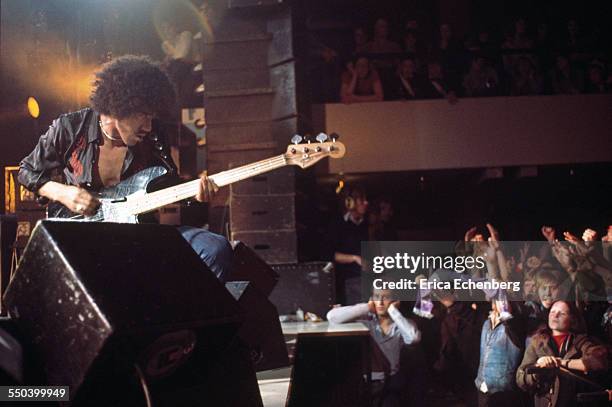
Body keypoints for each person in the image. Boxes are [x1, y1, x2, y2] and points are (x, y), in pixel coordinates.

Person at [18, 55, 233, 281]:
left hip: (139, 235)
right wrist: (63, 192)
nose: (149, 127)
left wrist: (194, 198)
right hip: (85, 238)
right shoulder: (70, 128)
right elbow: (27, 172)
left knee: (214, 249)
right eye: (144, 117)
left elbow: (169, 202)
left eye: (152, 118)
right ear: (118, 106)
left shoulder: (155, 137)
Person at [327, 287, 422, 407]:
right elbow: (331, 317)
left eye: (386, 297)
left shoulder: (402, 323)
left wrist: (393, 311)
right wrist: (366, 307)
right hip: (364, 383)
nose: (380, 302)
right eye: (376, 297)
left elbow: (413, 338)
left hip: (389, 383)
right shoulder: (366, 320)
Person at [516, 300, 608, 407]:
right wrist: (538, 367)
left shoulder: (581, 341)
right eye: (552, 312)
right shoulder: (537, 342)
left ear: (572, 319)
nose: (555, 315)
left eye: (562, 313)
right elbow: (520, 379)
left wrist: (562, 363)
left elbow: (599, 361)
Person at [326, 186, 369, 305]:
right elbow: (331, 254)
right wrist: (355, 258)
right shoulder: (338, 225)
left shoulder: (366, 224)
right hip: (349, 281)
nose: (366, 203)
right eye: (362, 200)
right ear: (350, 203)